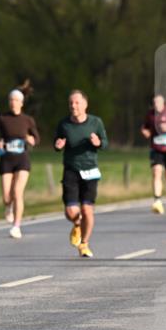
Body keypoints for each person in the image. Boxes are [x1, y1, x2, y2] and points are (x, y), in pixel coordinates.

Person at [55, 90, 108, 257]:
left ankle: (84, 244)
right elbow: (57, 142)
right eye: (71, 103)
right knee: (71, 212)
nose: (73, 106)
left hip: (90, 169)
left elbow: (105, 143)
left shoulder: (95, 122)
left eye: (77, 102)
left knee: (87, 210)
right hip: (71, 169)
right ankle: (77, 224)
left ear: (85, 104)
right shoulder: (64, 124)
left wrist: (98, 142)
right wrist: (58, 145)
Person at [0, 89, 40, 238]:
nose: (13, 103)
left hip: (22, 159)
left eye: (16, 100)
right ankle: (8, 206)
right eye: (11, 100)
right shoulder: (2, 119)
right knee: (7, 196)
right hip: (6, 158)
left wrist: (32, 140)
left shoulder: (27, 120)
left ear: (21, 103)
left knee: (17, 192)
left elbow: (36, 138)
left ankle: (16, 226)